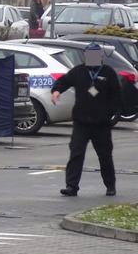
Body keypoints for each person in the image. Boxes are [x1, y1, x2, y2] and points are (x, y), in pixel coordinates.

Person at [52, 44, 122, 197]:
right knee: (76, 153)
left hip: (101, 124)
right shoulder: (79, 71)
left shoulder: (108, 73)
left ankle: (110, 186)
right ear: (85, 56)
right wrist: (56, 91)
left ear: (101, 56)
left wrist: (108, 114)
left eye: (95, 55)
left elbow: (116, 97)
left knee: (105, 156)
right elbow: (63, 81)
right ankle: (72, 187)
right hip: (81, 122)